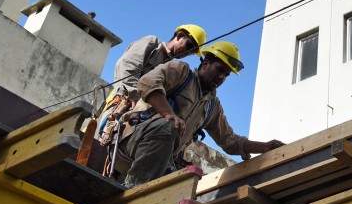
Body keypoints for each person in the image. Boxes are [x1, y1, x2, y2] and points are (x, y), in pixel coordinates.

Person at [115, 40, 282, 187]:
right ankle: (135, 189)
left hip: (159, 161)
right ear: (205, 64)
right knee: (169, 126)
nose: (221, 77)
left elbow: (229, 141)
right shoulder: (181, 72)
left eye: (226, 74)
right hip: (132, 142)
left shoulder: (212, 105)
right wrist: (168, 114)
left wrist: (265, 146)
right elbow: (147, 82)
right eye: (219, 69)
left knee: (187, 180)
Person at [96, 24, 207, 143]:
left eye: (192, 52)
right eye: (189, 46)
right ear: (179, 36)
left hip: (141, 118)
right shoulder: (152, 44)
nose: (188, 53)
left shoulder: (172, 69)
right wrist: (135, 98)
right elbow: (126, 67)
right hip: (122, 107)